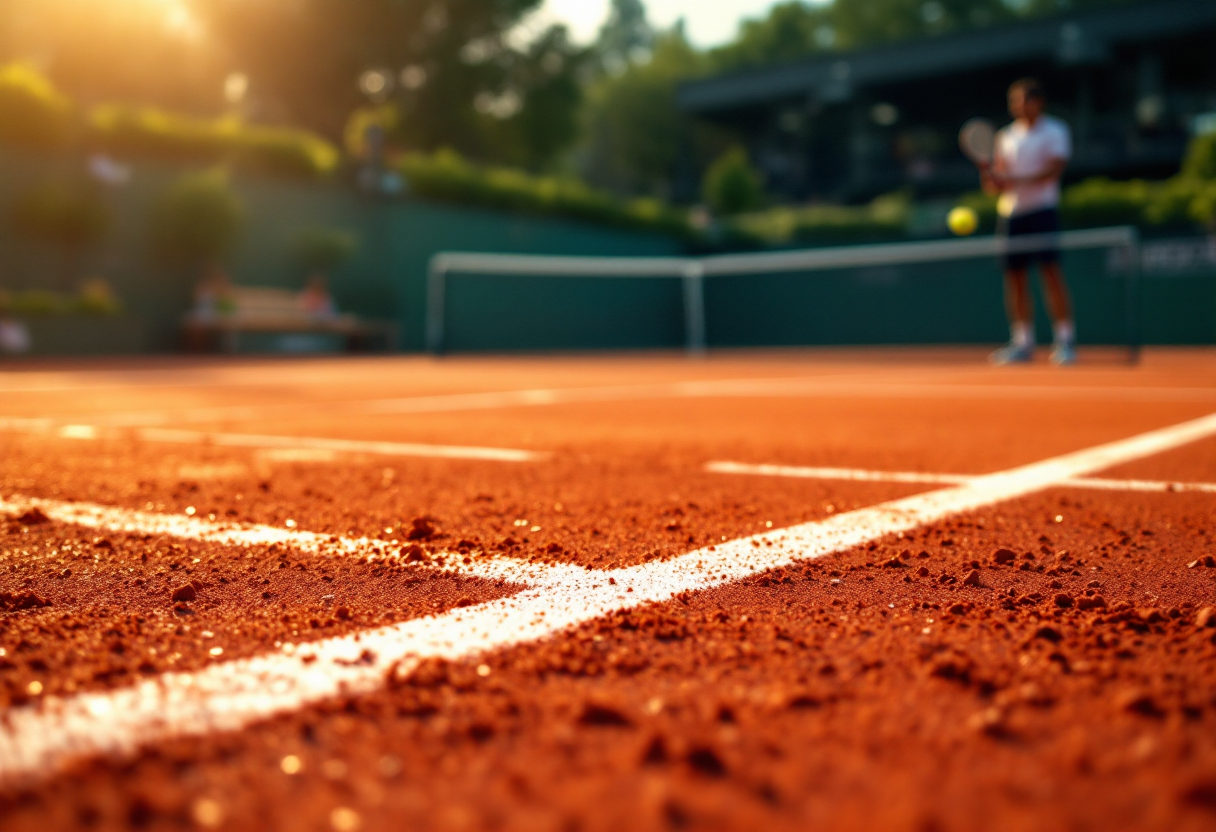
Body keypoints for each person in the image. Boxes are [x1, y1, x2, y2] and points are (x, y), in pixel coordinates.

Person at [983, 78, 1076, 365]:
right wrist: (994, 180)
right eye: (1014, 101)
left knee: (1050, 274)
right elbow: (995, 183)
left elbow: (1052, 171)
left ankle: (1065, 341)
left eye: (1023, 100)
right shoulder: (1005, 137)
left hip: (1043, 211)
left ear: (1038, 102)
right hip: (1011, 215)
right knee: (1015, 280)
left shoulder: (1056, 130)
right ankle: (1022, 342)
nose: (1018, 107)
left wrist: (1013, 180)